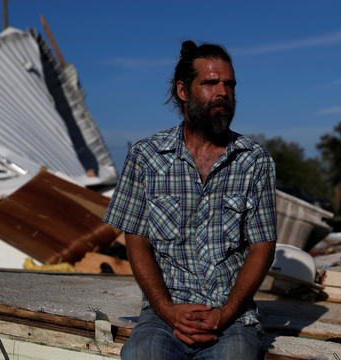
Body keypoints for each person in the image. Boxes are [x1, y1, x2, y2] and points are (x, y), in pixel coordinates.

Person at [103, 40, 277, 360]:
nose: (223, 91)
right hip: (163, 317)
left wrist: (224, 314)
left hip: (232, 319)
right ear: (184, 91)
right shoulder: (147, 156)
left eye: (229, 84)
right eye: (211, 83)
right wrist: (167, 310)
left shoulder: (255, 161)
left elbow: (262, 247)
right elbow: (137, 241)